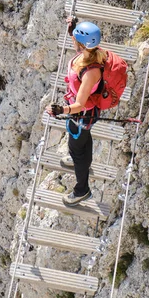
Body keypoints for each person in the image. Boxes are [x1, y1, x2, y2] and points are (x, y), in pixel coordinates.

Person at [45, 18, 107, 207]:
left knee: (76, 149)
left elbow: (80, 104)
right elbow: (79, 48)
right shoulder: (89, 53)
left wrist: (60, 110)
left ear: (83, 44)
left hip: (82, 114)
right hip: (82, 114)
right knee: (82, 143)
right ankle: (79, 159)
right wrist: (73, 30)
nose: (74, 42)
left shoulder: (91, 72)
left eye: (76, 39)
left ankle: (82, 190)